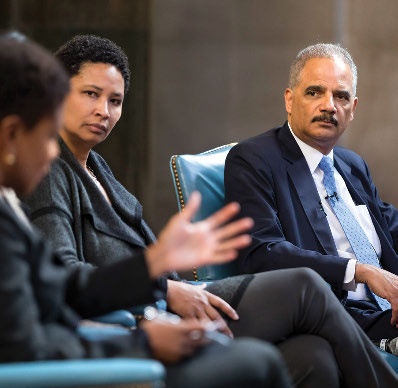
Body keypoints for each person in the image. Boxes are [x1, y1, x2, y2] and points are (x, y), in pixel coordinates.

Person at [24, 34, 398, 387]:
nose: (103, 111)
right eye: (90, 94)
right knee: (305, 285)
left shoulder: (98, 170)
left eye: (115, 101)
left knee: (313, 357)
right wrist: (165, 290)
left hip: (179, 297)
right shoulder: (47, 172)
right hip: (148, 316)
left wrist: (169, 282)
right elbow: (64, 279)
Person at [0, 32, 299, 388]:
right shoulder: (30, 200)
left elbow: (65, 288)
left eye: (115, 100)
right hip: (94, 366)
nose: (53, 153)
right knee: (263, 358)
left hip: (118, 331)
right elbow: (25, 346)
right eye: (48, 136)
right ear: (11, 135)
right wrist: (140, 341)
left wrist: (154, 263)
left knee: (309, 355)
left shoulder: (15, 205)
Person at [224, 42, 398, 343]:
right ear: (290, 100)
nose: (329, 105)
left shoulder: (353, 165)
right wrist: (358, 271)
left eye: (341, 96)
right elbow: (262, 253)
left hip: (387, 312)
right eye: (315, 92)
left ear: (352, 109)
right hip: (328, 317)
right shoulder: (253, 159)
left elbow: (389, 225)